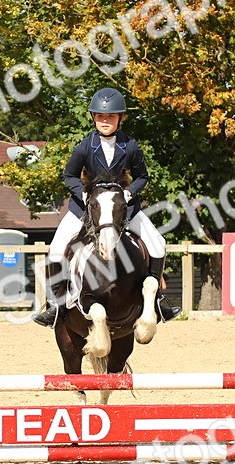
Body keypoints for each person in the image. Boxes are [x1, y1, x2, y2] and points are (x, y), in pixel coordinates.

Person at [32, 87, 181, 327]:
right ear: (93, 117)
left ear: (120, 118)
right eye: (100, 116)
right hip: (85, 209)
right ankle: (55, 304)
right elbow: (68, 174)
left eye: (110, 116)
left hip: (123, 210)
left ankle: (156, 301)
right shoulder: (85, 146)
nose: (105, 120)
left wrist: (129, 193)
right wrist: (83, 192)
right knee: (57, 248)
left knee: (158, 243)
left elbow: (142, 176)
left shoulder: (130, 146)